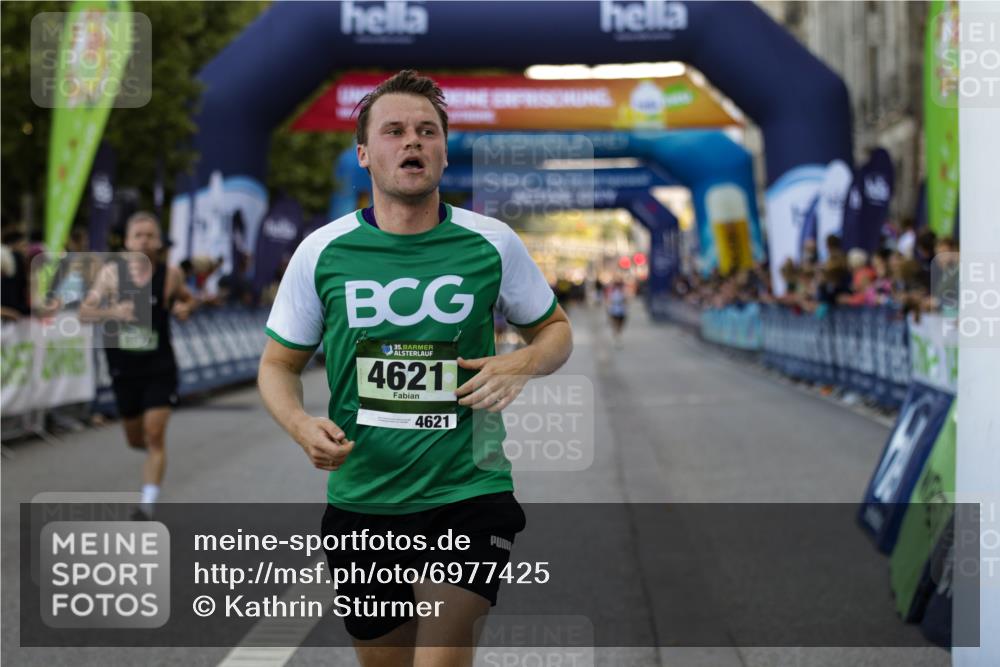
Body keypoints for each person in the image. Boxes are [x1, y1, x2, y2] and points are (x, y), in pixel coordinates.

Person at [257, 70, 572, 667]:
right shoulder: (322, 251)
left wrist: (522, 362)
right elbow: (277, 363)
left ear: (444, 153)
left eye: (427, 131)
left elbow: (555, 331)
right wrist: (299, 425)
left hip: (469, 489)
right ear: (364, 154)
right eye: (395, 131)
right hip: (364, 497)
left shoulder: (491, 243)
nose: (413, 142)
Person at [80, 212, 196, 518]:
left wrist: (185, 308)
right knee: (135, 439)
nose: (144, 240)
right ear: (127, 241)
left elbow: (187, 299)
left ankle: (146, 504)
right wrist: (113, 311)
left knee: (155, 435)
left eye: (150, 234)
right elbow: (85, 312)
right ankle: (155, 459)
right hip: (123, 368)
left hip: (159, 365)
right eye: (138, 235)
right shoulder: (111, 275)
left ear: (159, 241)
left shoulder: (170, 274)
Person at [606, 278, 628, 347]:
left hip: (620, 311)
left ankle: (618, 337)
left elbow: (626, 301)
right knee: (616, 325)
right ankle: (617, 338)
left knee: (619, 326)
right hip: (615, 311)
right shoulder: (613, 293)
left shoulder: (622, 292)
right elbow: (609, 302)